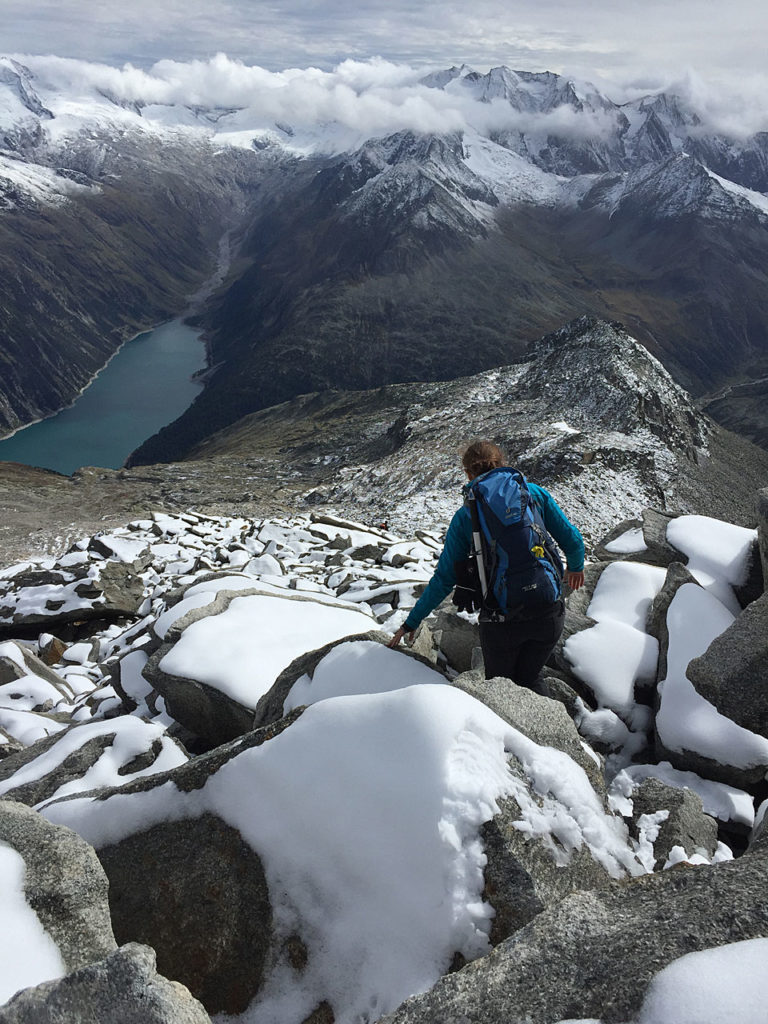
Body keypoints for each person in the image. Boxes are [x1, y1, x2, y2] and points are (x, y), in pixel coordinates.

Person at [388, 440, 585, 692]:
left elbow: (444, 579)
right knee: (531, 678)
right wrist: (576, 568)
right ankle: (547, 728)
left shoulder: (465, 517)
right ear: (502, 464)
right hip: (548, 611)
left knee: (500, 689)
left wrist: (411, 623)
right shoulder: (533, 494)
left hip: (501, 619)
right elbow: (573, 540)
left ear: (468, 474)